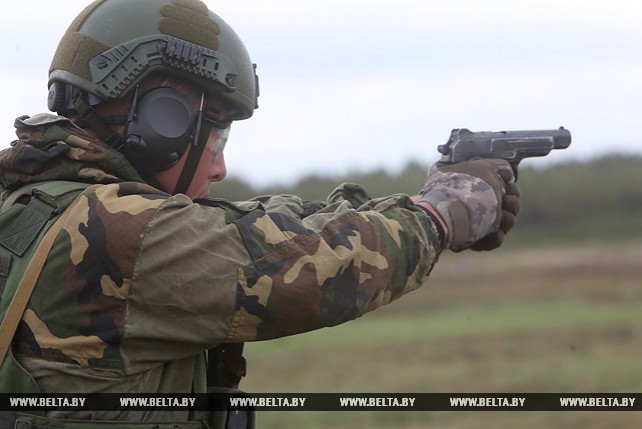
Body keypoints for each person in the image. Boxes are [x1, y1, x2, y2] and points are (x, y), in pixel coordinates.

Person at [0, 0, 520, 427]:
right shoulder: (124, 232)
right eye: (217, 132)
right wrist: (443, 214)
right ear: (163, 122)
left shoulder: (38, 204)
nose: (222, 165)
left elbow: (250, 229)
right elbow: (310, 269)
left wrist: (402, 205)